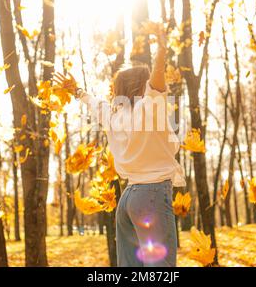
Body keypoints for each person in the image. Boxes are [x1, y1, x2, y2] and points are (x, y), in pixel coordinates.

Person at [55, 24, 185, 267]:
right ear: (143, 87)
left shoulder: (115, 116)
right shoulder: (149, 107)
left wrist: (77, 90)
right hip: (152, 197)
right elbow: (157, 77)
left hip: (128, 201)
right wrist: (162, 47)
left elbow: (93, 103)